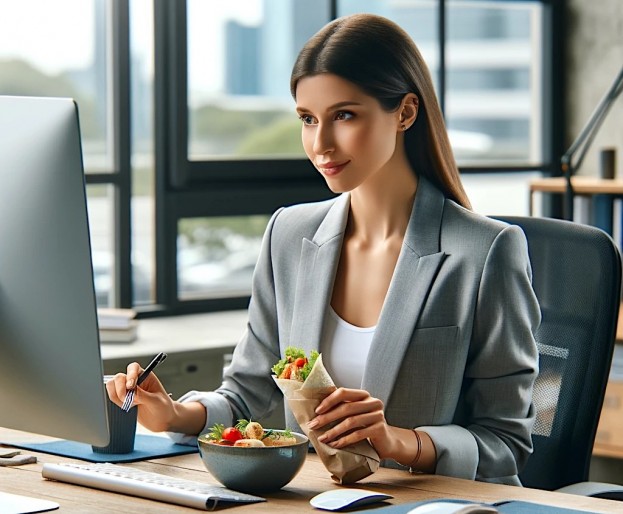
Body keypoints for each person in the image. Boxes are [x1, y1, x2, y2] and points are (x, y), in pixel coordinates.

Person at [107, 13, 540, 485]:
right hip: (321, 500)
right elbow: (245, 396)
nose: (320, 144)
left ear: (405, 112)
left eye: (345, 115)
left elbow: (506, 443)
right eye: (308, 119)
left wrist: (399, 441)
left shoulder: (486, 251)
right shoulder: (289, 235)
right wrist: (174, 414)